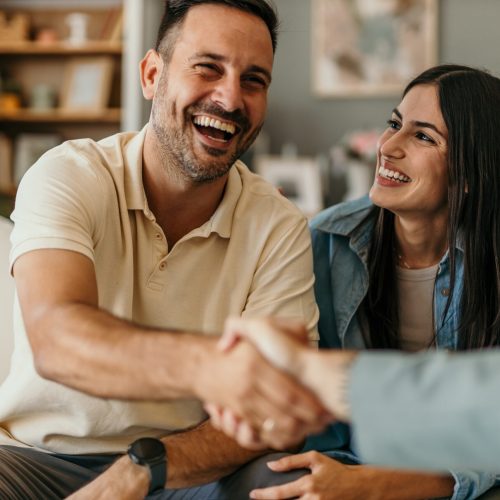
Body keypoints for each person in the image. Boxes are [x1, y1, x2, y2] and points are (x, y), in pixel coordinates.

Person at [0, 1, 328, 498]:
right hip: (33, 461)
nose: (231, 98)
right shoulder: (68, 174)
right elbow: (57, 337)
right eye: (208, 68)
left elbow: (272, 410)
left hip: (182, 470)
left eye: (253, 80)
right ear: (153, 74)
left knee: (290, 483)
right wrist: (217, 368)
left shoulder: (277, 225)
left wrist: (142, 467)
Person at [209, 65, 500, 499]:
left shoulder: (491, 262)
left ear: (474, 171)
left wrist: (382, 485)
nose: (388, 147)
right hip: (347, 462)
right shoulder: (325, 242)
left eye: (423, 137)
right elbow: (311, 415)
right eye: (394, 124)